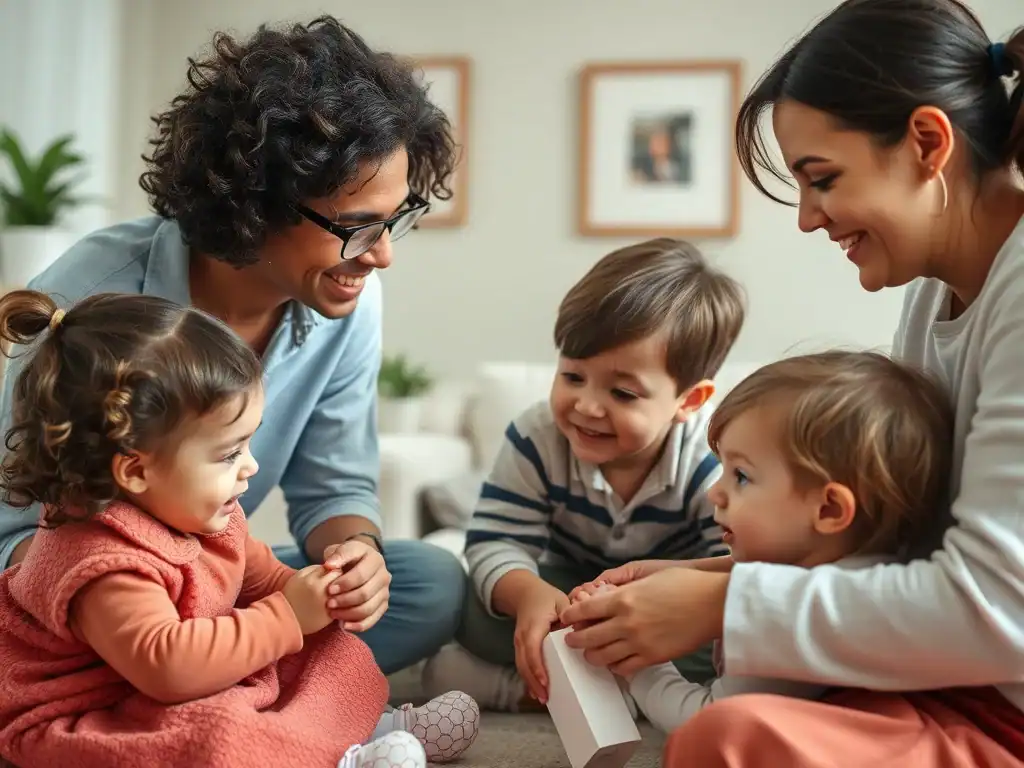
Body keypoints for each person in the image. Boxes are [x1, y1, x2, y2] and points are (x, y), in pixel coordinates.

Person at [558, 1, 1024, 765]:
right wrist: (697, 579)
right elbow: (903, 538)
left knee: (731, 738)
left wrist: (721, 602)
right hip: (954, 678)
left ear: (927, 143)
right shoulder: (930, 299)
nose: (809, 219)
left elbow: (1001, 608)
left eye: (823, 179)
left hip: (997, 697)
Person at [0, 15, 466, 676]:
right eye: (358, 228)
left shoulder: (346, 301)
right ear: (259, 203)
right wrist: (137, 596)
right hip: (85, 592)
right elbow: (10, 528)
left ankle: (212, 671)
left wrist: (354, 557)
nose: (383, 255)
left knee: (429, 582)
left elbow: (335, 489)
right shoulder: (90, 300)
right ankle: (204, 675)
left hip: (210, 575)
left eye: (397, 221)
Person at [0, 291, 479, 768]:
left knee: (321, 648)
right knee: (214, 733)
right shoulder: (101, 562)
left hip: (169, 685)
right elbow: (168, 667)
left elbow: (262, 577)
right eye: (229, 453)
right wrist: (287, 615)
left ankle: (372, 724)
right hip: (97, 708)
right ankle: (340, 759)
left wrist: (321, 591)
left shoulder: (204, 516)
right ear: (136, 471)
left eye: (248, 443)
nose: (250, 466)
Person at [421, 238, 745, 711]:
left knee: (729, 638)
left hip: (663, 609)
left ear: (688, 402)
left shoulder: (710, 460)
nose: (587, 407)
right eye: (573, 377)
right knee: (465, 605)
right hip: (562, 591)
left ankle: (520, 692)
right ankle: (616, 698)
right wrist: (529, 595)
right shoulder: (536, 436)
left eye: (623, 394)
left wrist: (654, 610)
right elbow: (496, 540)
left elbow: (729, 570)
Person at [569, 351, 953, 734]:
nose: (713, 493)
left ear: (829, 509)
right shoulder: (854, 570)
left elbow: (704, 720)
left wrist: (639, 665)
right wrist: (677, 573)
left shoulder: (799, 619)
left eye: (742, 477)